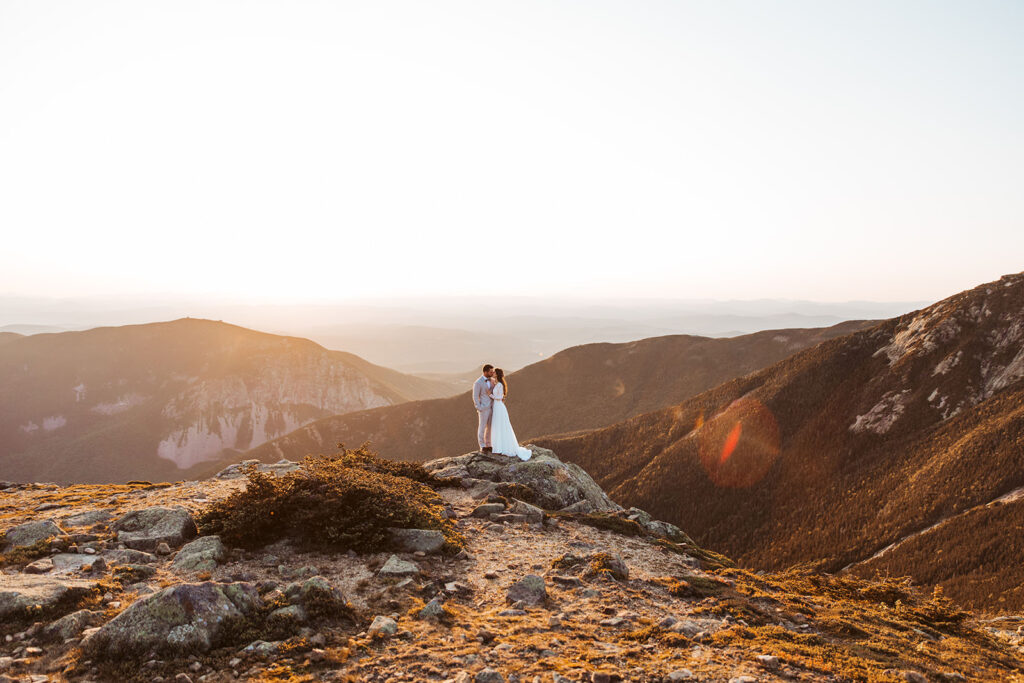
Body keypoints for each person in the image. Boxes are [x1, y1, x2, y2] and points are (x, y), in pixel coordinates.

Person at [488, 368, 532, 461]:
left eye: (494, 372)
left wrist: (490, 395)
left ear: (497, 374)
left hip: (499, 407)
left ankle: (502, 447)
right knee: (498, 425)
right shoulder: (497, 384)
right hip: (497, 407)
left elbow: (499, 397)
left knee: (501, 425)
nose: (493, 373)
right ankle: (499, 446)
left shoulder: (499, 384)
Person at [472, 364, 495, 453]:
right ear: (485, 372)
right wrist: (479, 407)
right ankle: (482, 446)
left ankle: (488, 445)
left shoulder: (493, 380)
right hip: (483, 409)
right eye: (490, 372)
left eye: (493, 372)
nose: (492, 373)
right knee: (482, 427)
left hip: (492, 408)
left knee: (489, 427)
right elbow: (475, 396)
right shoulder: (478, 382)